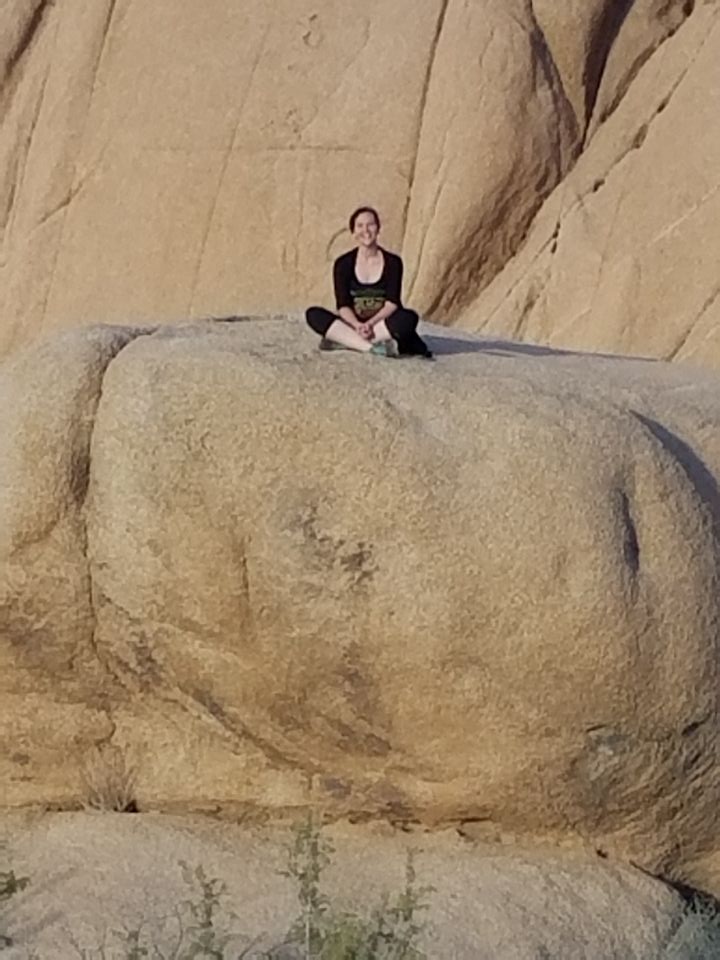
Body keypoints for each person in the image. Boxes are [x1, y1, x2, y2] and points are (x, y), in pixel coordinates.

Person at [305, 207, 433, 358]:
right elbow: (343, 305)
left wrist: (370, 324)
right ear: (353, 231)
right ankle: (371, 348)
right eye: (359, 226)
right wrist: (357, 325)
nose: (365, 230)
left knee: (408, 318)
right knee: (313, 314)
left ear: (378, 229)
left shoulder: (393, 262)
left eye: (371, 225)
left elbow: (392, 303)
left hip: (381, 324)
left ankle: (347, 341)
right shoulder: (343, 264)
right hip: (353, 324)